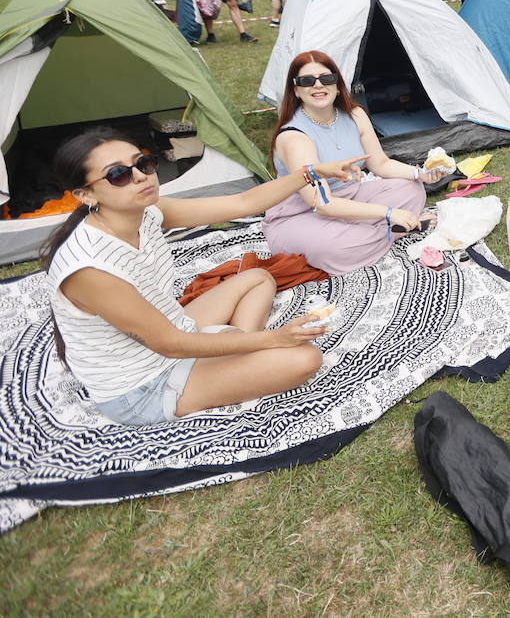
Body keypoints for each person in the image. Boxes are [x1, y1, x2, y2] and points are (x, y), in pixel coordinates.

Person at [42, 128, 364, 426]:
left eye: (143, 163)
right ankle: (239, 351)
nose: (140, 177)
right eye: (118, 175)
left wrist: (309, 173)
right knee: (305, 359)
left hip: (172, 328)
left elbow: (243, 202)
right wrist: (274, 339)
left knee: (258, 278)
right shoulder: (91, 268)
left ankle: (235, 350)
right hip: (142, 386)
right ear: (86, 196)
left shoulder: (149, 212)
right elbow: (172, 345)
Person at [263, 51, 446, 275]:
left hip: (350, 196)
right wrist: (387, 213)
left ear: (338, 85)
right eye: (307, 81)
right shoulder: (294, 137)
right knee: (333, 247)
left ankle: (369, 232)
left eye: (326, 78)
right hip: (302, 213)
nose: (318, 85)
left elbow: (380, 163)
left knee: (412, 189)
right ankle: (393, 231)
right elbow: (322, 203)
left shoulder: (355, 115)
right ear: (296, 90)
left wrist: (421, 174)